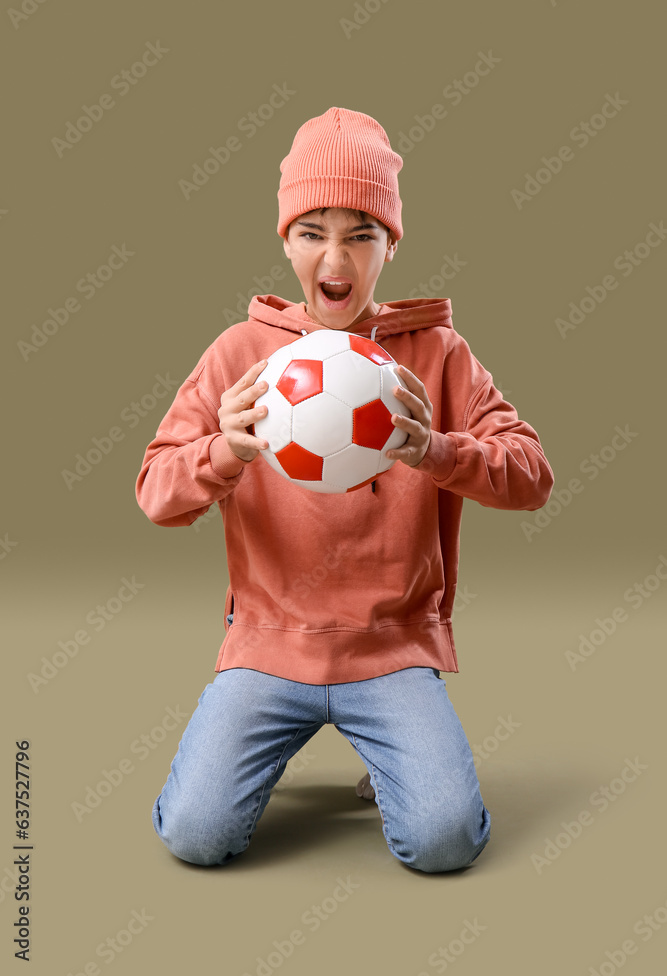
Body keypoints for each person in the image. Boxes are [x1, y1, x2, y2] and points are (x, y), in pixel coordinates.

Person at [135, 106, 555, 873]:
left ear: (390, 243)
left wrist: (435, 450)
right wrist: (224, 451)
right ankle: (264, 751)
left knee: (442, 844)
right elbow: (156, 494)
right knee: (195, 837)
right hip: (267, 648)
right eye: (312, 231)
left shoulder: (435, 354)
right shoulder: (240, 354)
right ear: (285, 240)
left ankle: (388, 750)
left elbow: (531, 477)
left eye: (361, 233)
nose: (336, 256)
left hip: (390, 652)